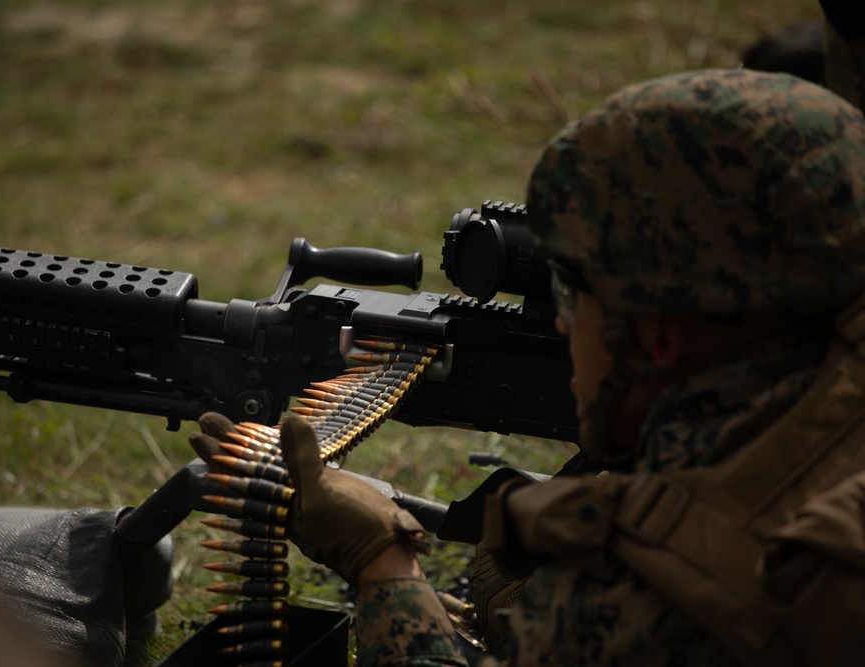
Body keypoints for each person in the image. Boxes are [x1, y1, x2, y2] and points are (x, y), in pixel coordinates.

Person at [191, 65, 865, 667]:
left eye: (573, 290)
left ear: (657, 338)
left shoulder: (655, 593)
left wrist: (381, 563)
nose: (562, 319)